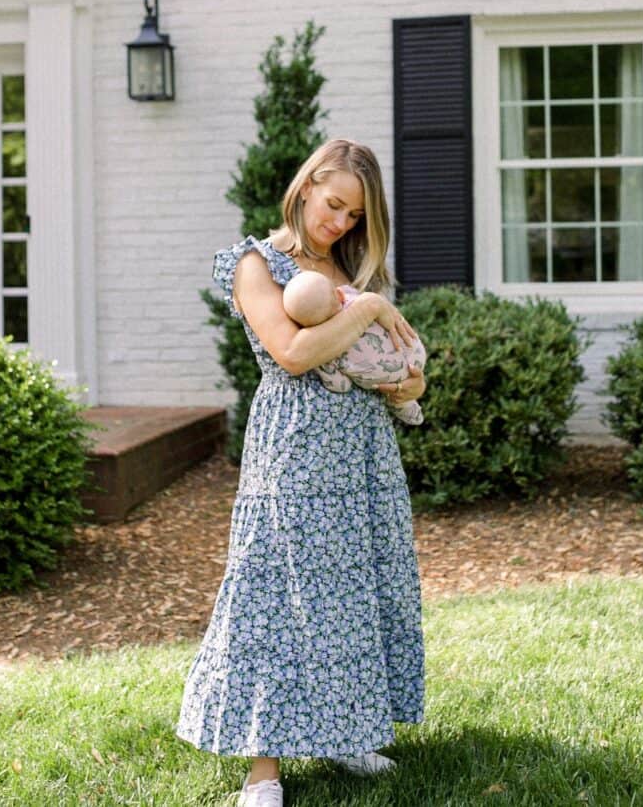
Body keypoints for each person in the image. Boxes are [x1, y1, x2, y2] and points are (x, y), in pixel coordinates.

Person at [176, 138, 426, 807]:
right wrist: (368, 307)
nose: (340, 222)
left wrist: (407, 384)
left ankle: (343, 730)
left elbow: (392, 356)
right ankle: (263, 771)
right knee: (276, 594)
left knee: (352, 588)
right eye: (335, 204)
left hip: (362, 444)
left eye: (354, 216)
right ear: (309, 183)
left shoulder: (346, 265)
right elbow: (291, 351)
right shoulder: (256, 263)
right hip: (294, 445)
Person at [281, 269, 426, 425]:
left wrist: (320, 368)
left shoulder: (329, 351)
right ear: (340, 294)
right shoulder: (355, 298)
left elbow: (341, 386)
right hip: (414, 349)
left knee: (393, 391)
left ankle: (409, 411)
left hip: (389, 378)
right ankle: (409, 407)